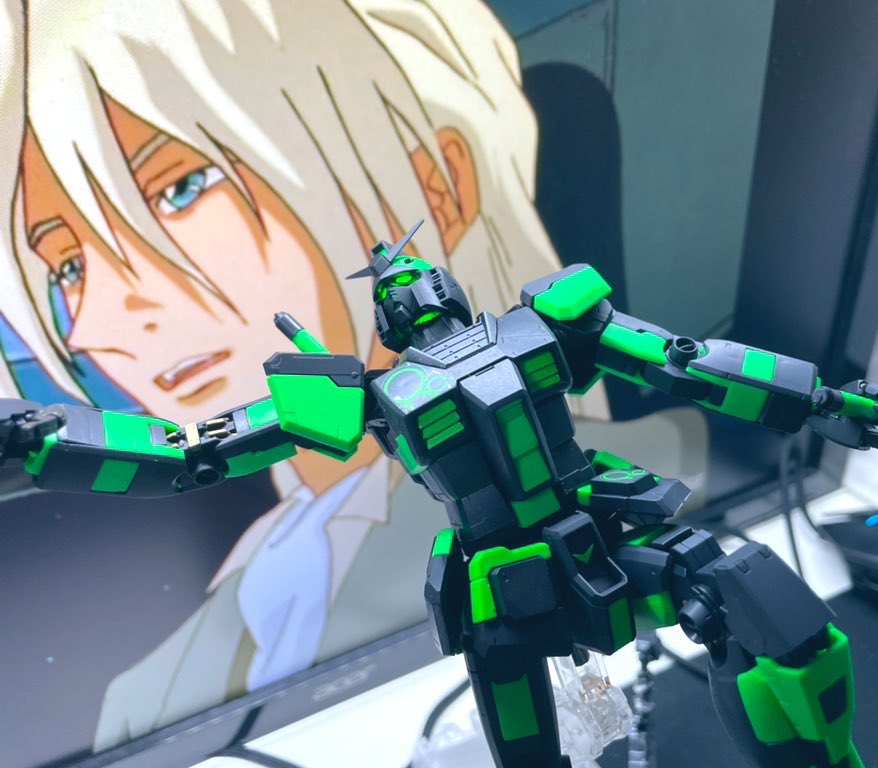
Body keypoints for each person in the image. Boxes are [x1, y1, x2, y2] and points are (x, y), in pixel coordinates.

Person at [0, 0, 705, 750]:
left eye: (183, 188)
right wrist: (41, 438)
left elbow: (686, 361)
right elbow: (191, 451)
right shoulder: (171, 672)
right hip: (510, 582)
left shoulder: (538, 337)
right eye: (66, 268)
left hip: (597, 533)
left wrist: (811, 400)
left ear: (442, 183)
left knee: (739, 587)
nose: (99, 323)